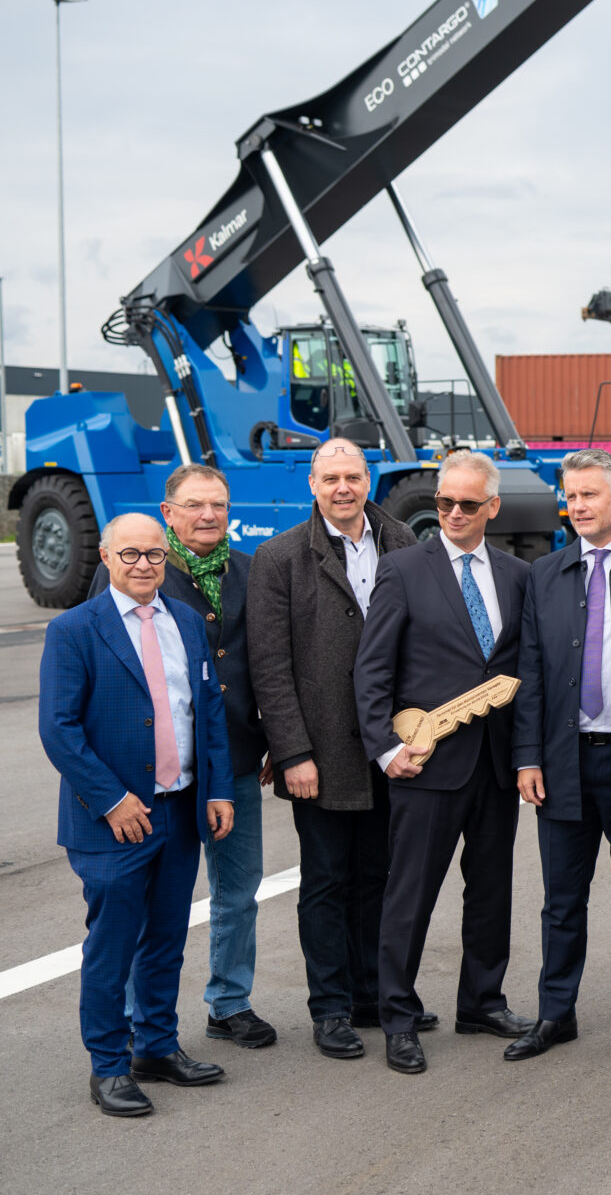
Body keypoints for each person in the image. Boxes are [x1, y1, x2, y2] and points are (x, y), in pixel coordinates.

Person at [43, 513, 235, 1117]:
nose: (144, 565)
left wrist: (217, 790)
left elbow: (207, 711)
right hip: (113, 821)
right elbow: (59, 729)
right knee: (113, 948)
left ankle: (156, 1046)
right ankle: (109, 1066)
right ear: (106, 557)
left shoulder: (185, 621)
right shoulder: (74, 629)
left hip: (180, 810)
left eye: (154, 554)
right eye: (130, 554)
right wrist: (111, 799)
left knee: (166, 941)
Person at [355, 449, 534, 1074]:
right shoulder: (403, 569)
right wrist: (385, 749)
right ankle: (398, 1018)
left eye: (467, 503)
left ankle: (482, 1002)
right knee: (410, 895)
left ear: (493, 506)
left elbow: (523, 671)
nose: (453, 513)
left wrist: (528, 757)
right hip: (425, 764)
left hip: (495, 764)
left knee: (491, 891)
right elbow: (372, 668)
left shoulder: (518, 575)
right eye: (444, 502)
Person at [87, 465, 275, 1051]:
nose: (208, 515)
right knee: (141, 903)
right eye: (194, 505)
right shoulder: (136, 567)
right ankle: (131, 1020)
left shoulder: (253, 570)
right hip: (147, 774)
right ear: (168, 513)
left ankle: (229, 1002)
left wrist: (280, 740)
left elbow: (273, 661)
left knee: (238, 890)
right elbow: (99, 667)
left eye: (218, 504)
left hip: (232, 758)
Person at [251, 439, 420, 1060]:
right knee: (326, 881)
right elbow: (270, 667)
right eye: (331, 479)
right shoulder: (280, 557)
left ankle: (373, 994)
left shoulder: (404, 541)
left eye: (352, 476)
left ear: (368, 479)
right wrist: (292, 752)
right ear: (312, 485)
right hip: (320, 753)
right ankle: (331, 1008)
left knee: (380, 876)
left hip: (393, 747)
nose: (343, 488)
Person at [506, 450, 611, 1061]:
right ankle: (556, 1014)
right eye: (570, 496)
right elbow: (530, 671)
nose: (576, 506)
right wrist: (528, 757)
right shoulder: (545, 574)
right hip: (563, 762)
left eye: (589, 495)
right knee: (561, 901)